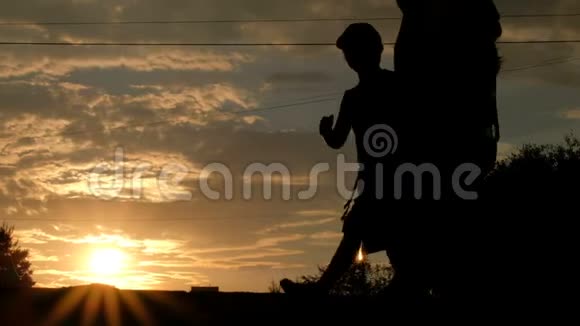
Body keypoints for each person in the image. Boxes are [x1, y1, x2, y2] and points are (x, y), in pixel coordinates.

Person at [280, 23, 410, 296]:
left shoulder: (374, 92)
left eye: (353, 51)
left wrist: (327, 133)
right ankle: (402, 283)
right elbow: (338, 139)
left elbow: (337, 139)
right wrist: (328, 133)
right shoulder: (386, 88)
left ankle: (324, 288)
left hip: (396, 177)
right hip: (388, 177)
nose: (351, 58)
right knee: (374, 232)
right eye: (350, 52)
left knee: (373, 232)